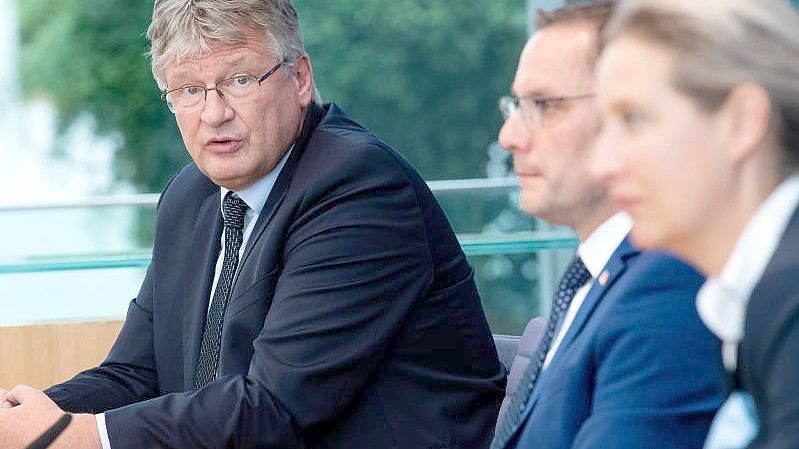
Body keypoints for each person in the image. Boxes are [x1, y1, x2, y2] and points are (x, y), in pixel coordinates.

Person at [0, 1, 506, 448]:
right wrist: (26, 420)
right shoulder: (189, 196)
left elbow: (276, 408)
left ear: (300, 78)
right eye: (189, 89)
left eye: (239, 81)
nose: (213, 114)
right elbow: (138, 373)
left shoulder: (358, 188)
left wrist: (84, 438)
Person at [490, 2, 725, 449]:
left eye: (545, 105)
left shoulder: (667, 285)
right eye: (517, 105)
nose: (510, 136)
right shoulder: (603, 276)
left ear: (632, 114)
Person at [591, 0, 799, 447]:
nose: (602, 164)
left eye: (634, 119)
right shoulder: (758, 296)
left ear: (742, 122)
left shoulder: (790, 292)